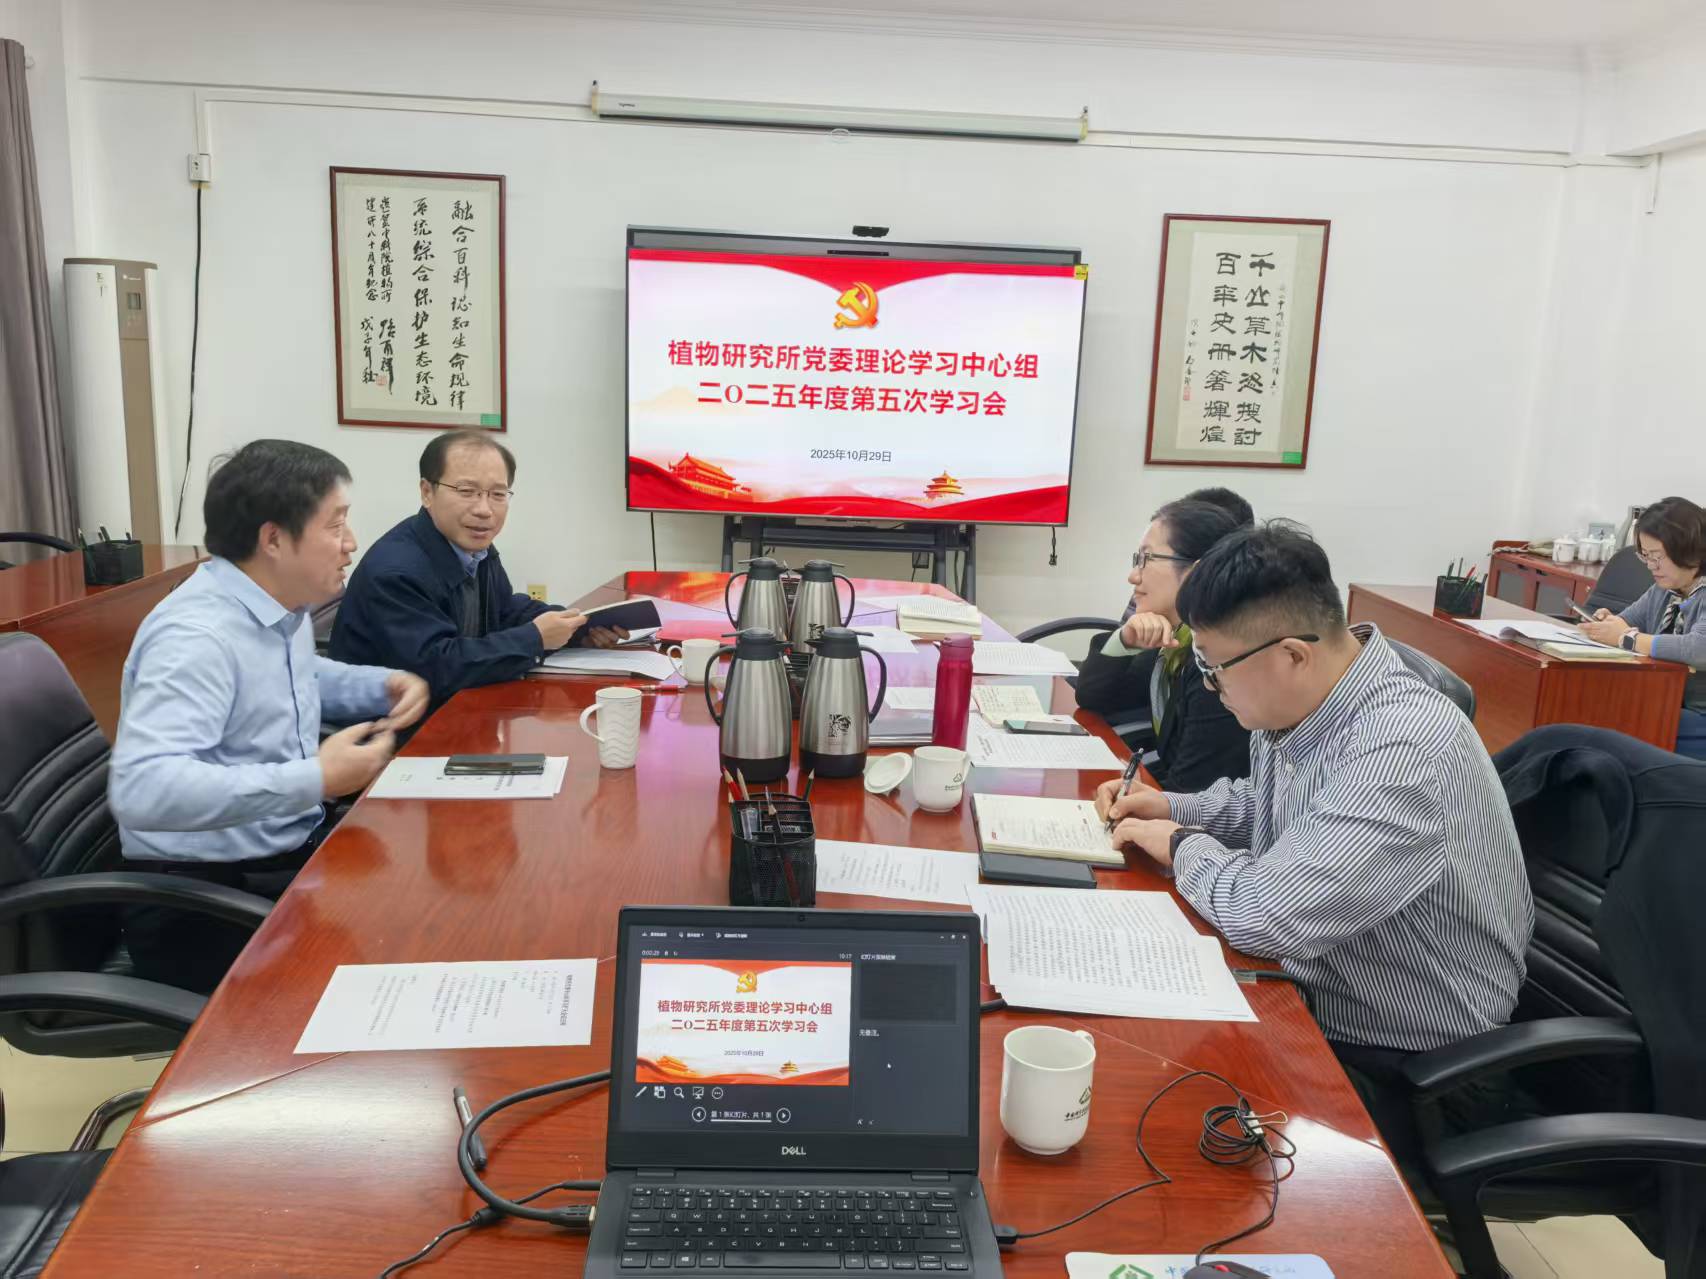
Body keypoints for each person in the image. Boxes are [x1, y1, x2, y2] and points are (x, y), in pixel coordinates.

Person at [1095, 522, 1533, 1160]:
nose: (1211, 685)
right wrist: (1170, 805)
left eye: (1215, 669)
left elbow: (1267, 914)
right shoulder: (1312, 698)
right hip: (1314, 1000)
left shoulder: (1402, 748)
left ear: (1292, 655)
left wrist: (1183, 843)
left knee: (1151, 1129)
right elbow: (1273, 808)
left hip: (1411, 1070)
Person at [110, 440, 429, 993]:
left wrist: (380, 686)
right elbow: (143, 788)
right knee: (409, 955)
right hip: (202, 906)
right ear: (274, 539)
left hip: (279, 856)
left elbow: (297, 677)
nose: (351, 542)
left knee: (427, 891)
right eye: (336, 525)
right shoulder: (197, 637)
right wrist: (317, 778)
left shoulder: (276, 605)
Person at [331, 430, 626, 708]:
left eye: (498, 494)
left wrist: (576, 628)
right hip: (387, 731)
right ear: (427, 492)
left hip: (456, 711)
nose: (484, 510)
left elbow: (504, 611)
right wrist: (535, 638)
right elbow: (436, 668)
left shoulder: (473, 547)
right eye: (466, 491)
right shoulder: (395, 573)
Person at [1077, 499, 1250, 791]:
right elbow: (1092, 697)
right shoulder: (1176, 637)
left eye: (1147, 559)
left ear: (1196, 572)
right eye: (1137, 559)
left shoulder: (1218, 662)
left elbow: (1192, 791)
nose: (1133, 576)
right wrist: (1124, 640)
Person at [1578, 495, 1706, 760]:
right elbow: (1627, 621)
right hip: (1667, 698)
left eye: (1657, 556)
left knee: (1623, 724)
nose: (1650, 566)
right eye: (1645, 556)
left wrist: (1626, 638)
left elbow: (1699, 649)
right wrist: (1609, 624)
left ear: (1690, 550)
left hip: (1698, 714)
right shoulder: (1665, 589)